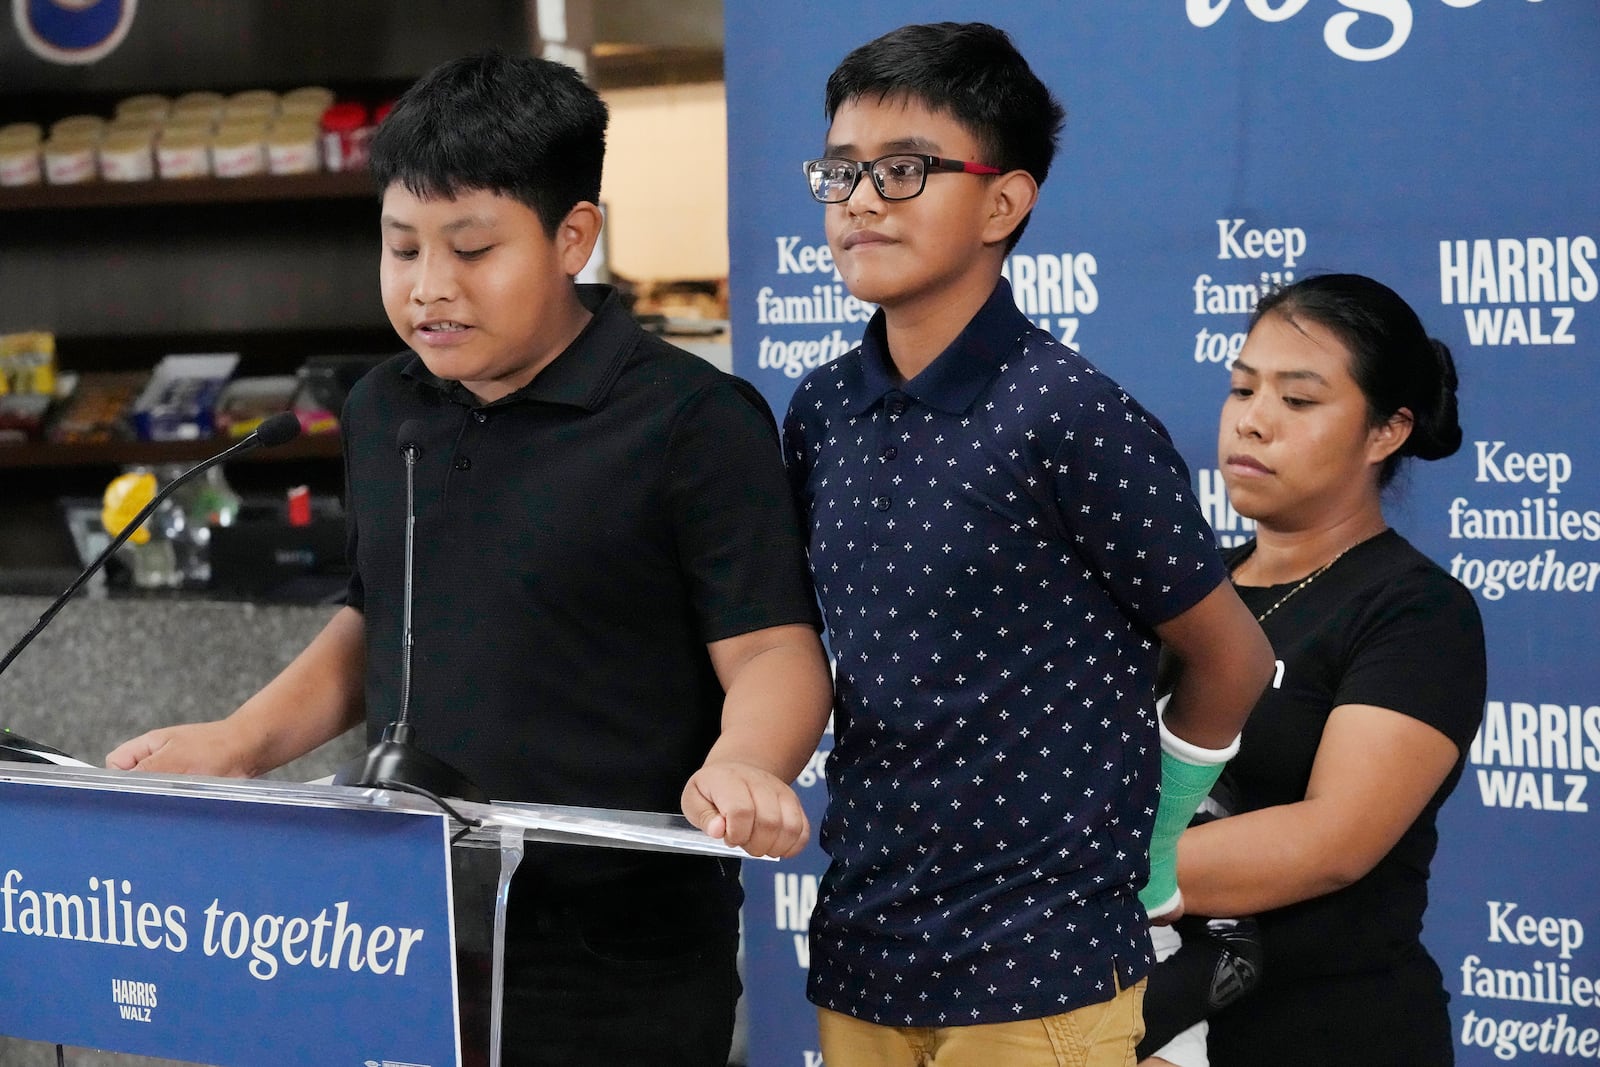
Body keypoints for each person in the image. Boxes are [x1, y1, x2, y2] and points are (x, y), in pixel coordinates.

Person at [106, 51, 833, 1067]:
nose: (429, 287)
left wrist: (747, 762)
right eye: (401, 248)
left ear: (572, 237)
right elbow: (379, 614)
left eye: (473, 247)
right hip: (401, 929)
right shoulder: (383, 407)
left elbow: (770, 650)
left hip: (614, 956)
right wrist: (239, 741)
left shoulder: (689, 419)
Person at [782, 22, 1275, 1066]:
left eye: (903, 170)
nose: (859, 199)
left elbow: (1232, 655)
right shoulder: (821, 410)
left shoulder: (1068, 415)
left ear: (1003, 202)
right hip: (865, 947)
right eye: (840, 171)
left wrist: (1154, 845)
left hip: (1039, 966)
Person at [1140, 273, 1487, 1067]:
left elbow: (1332, 840)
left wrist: (1079, 867)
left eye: (1298, 401)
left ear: (1386, 431)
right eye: (1241, 388)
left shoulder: (1418, 610)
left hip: (1333, 1035)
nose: (1252, 422)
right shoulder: (1183, 594)